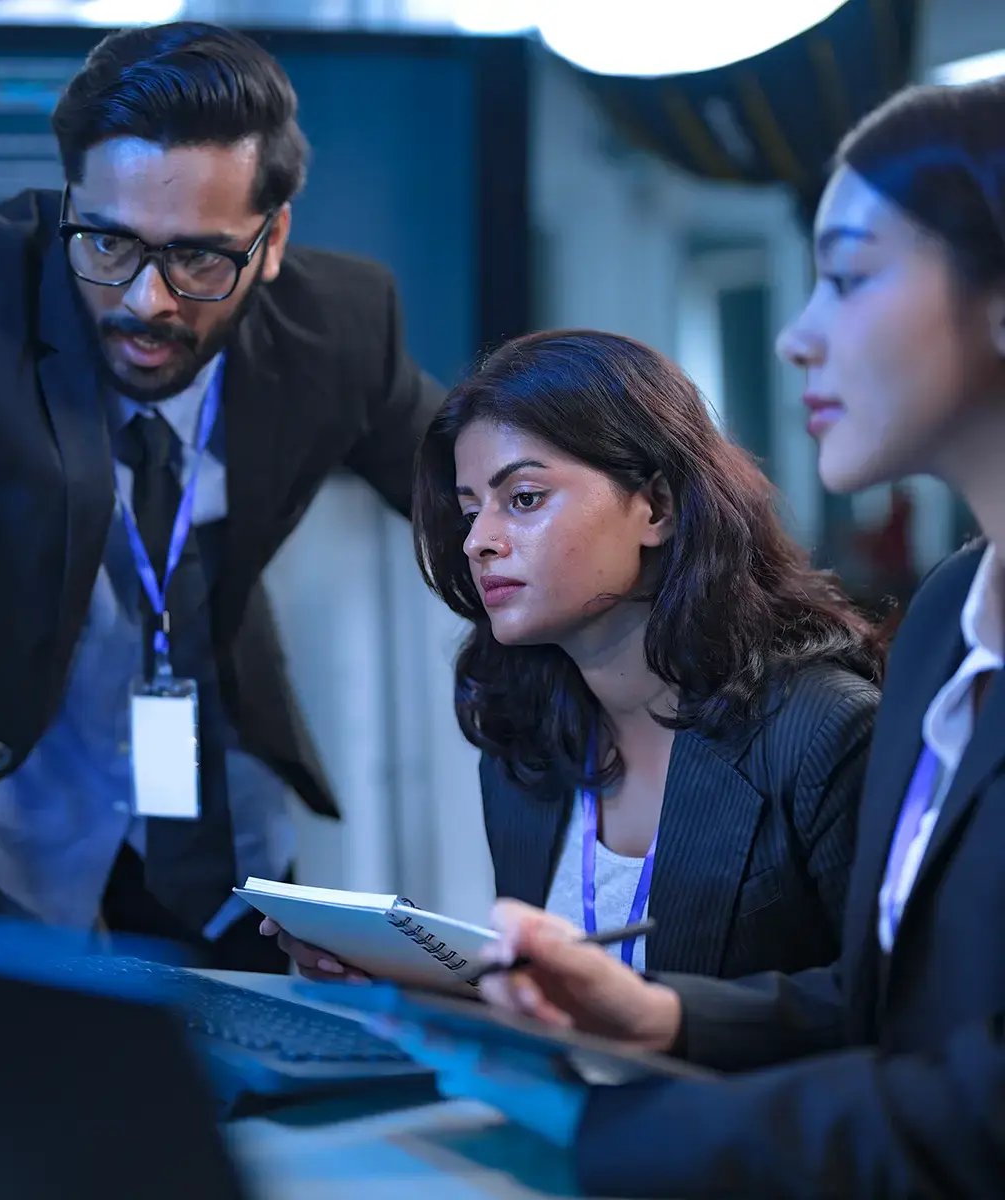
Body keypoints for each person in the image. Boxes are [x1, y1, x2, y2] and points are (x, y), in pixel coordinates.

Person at [382, 78, 1005, 1198]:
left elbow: (960, 1097)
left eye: (850, 278)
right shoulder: (945, 634)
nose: (796, 336)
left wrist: (598, 1146)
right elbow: (887, 1008)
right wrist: (650, 1014)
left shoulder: (829, 723)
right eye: (470, 509)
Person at [0, 22, 443, 969]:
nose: (147, 301)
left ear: (274, 238)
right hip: (19, 802)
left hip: (225, 815)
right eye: (108, 242)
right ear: (67, 208)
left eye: (202, 258)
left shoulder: (342, 324)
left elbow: (467, 494)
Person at [264, 330, 881, 982]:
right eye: (471, 512)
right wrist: (409, 977)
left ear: (658, 508)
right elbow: (561, 1015)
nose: (478, 542)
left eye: (524, 499)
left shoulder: (828, 731)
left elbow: (882, 1019)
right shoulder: (523, 738)